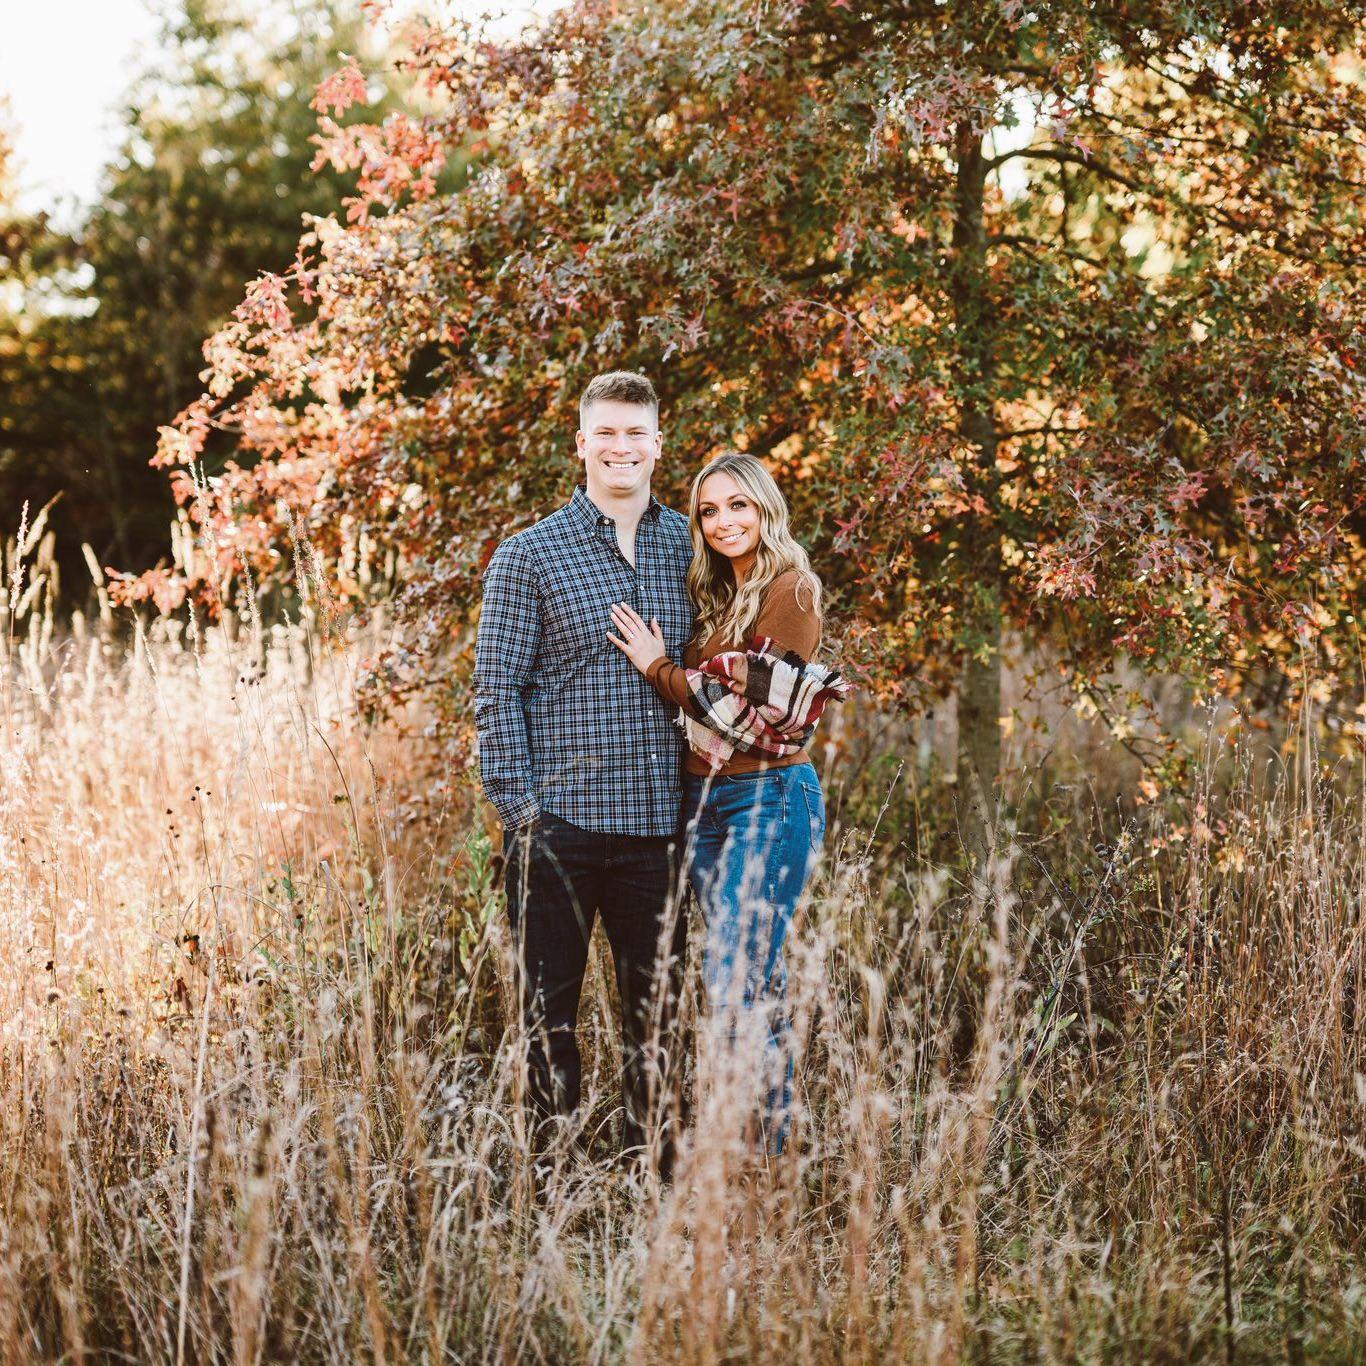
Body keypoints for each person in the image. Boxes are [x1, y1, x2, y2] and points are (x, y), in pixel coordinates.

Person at [473, 371, 694, 1171]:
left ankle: (656, 1188)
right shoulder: (529, 555)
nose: (620, 447)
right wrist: (522, 815)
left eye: (635, 433)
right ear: (581, 443)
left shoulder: (691, 547)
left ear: (657, 444)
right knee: (548, 1022)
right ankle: (555, 1189)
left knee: (658, 1025)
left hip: (659, 831)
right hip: (557, 829)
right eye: (606, 432)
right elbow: (495, 690)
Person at [607, 452, 846, 1155]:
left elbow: (752, 718)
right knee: (748, 977)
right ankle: (763, 1146)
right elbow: (716, 697)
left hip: (768, 799)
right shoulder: (717, 596)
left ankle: (761, 1150)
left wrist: (660, 668)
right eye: (709, 511)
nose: (723, 522)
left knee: (736, 974)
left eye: (738, 505)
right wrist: (701, 679)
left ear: (765, 508)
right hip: (703, 802)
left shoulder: (791, 589)